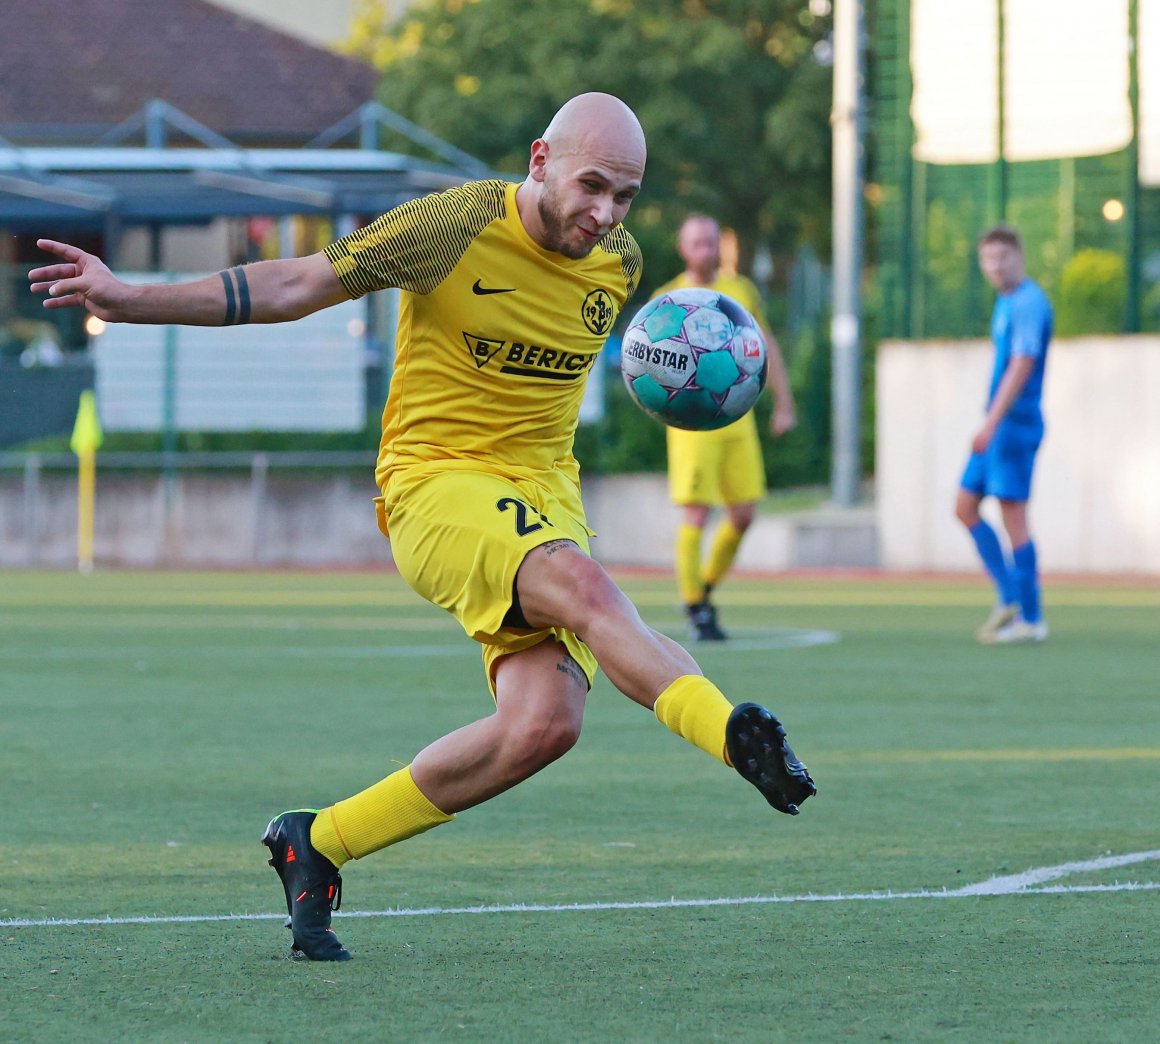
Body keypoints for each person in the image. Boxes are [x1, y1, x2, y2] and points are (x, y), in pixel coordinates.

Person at [29, 93, 815, 962]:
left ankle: (318, 840)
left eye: (624, 197)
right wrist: (125, 298)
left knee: (544, 725)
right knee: (589, 589)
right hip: (436, 482)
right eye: (592, 186)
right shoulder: (449, 226)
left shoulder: (619, 264)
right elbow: (298, 283)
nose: (605, 214)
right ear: (541, 158)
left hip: (544, 493)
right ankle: (731, 731)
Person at [652, 215, 797, 641]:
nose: (705, 250)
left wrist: (783, 402)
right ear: (683, 249)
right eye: (697, 243)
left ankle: (706, 585)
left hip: (736, 416)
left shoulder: (740, 291)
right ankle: (695, 606)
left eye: (711, 242)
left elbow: (763, 346)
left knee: (745, 513)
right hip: (691, 422)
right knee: (696, 512)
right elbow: (649, 365)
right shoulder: (669, 300)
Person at [954, 224, 1052, 644]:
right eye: (988, 258)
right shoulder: (1006, 302)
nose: (995, 265)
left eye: (1003, 257)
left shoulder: (1030, 303)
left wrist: (991, 421)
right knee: (964, 506)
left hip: (1013, 425)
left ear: (1019, 257)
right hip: (997, 425)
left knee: (1014, 518)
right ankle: (1010, 595)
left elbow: (1022, 363)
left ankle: (1030, 617)